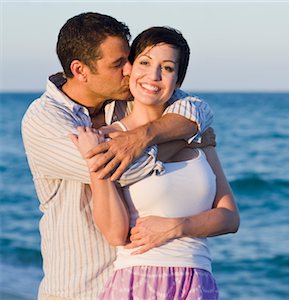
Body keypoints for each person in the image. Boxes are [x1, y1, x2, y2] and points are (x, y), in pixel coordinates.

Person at [21, 12, 234, 299]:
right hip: (78, 288)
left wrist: (143, 136)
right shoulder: (45, 120)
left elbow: (197, 110)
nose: (129, 70)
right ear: (80, 70)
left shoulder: (126, 102)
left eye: (129, 59)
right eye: (118, 63)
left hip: (145, 279)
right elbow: (122, 169)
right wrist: (187, 140)